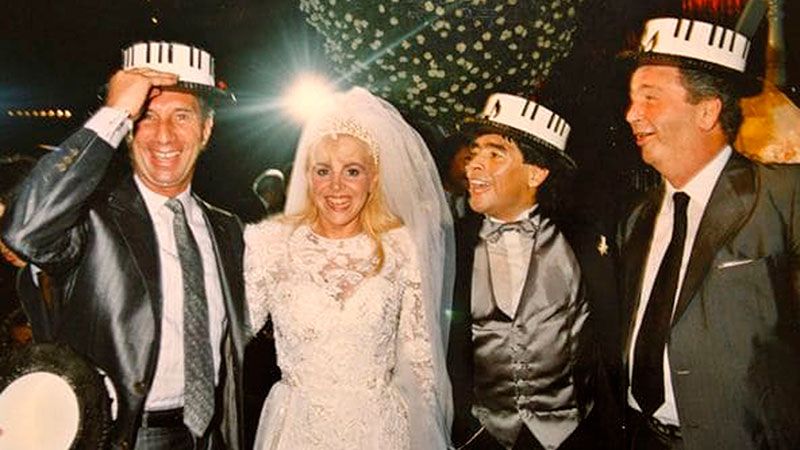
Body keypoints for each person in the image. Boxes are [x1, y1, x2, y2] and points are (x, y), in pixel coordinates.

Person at [1, 41, 247, 449]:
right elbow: (23, 230)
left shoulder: (228, 230)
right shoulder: (89, 219)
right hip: (119, 437)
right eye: (146, 116)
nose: (164, 135)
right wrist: (114, 113)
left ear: (206, 129)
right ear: (129, 130)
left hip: (208, 438)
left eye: (182, 116)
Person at [619, 17, 800, 449]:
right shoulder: (636, 219)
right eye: (632, 100)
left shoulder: (783, 196)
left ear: (707, 111)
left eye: (650, 98)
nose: (631, 114)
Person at [244, 86, 454, 449]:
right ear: (307, 176)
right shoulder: (269, 244)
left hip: (379, 433)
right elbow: (228, 335)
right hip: (298, 430)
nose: (336, 186)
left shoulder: (402, 247)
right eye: (323, 171)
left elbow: (421, 362)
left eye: (352, 171)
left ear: (374, 178)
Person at [448, 92, 616, 450]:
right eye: (475, 152)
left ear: (535, 173)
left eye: (495, 154)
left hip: (575, 437)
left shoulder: (586, 240)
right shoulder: (451, 244)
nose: (473, 165)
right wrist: (466, 426)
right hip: (484, 437)